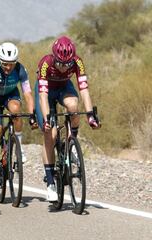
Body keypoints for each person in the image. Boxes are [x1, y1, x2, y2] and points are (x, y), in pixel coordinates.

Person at [34, 36, 100, 201]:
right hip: (46, 92)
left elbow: (84, 90)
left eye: (67, 64)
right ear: (54, 58)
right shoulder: (45, 63)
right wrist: (47, 118)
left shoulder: (78, 62)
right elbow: (42, 95)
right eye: (60, 63)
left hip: (64, 87)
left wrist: (91, 115)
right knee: (51, 134)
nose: (64, 67)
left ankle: (71, 143)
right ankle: (50, 183)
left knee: (73, 107)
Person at [0, 42, 37, 193]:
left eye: (12, 64)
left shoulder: (21, 69)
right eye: (5, 64)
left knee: (16, 110)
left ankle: (19, 147)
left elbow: (27, 93)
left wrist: (33, 113)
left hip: (10, 95)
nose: (9, 68)